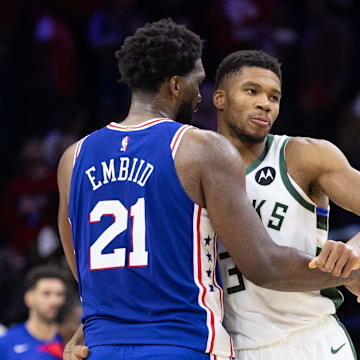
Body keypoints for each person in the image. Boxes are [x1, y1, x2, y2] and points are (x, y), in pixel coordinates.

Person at [58, 19, 360, 360]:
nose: (197, 95)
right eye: (197, 83)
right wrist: (348, 274)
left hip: (106, 346)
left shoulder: (74, 157)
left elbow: (87, 270)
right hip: (187, 342)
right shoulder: (198, 151)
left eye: (274, 96)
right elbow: (264, 264)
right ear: (177, 86)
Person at [213, 49, 360, 360]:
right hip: (235, 349)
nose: (265, 103)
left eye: (274, 97)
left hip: (312, 340)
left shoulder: (302, 156)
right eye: (252, 91)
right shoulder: (191, 169)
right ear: (220, 99)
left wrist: (355, 251)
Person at [0, 265, 66, 359]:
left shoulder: (71, 340)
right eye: (46, 293)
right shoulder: (6, 342)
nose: (55, 301)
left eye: (59, 294)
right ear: (29, 298)